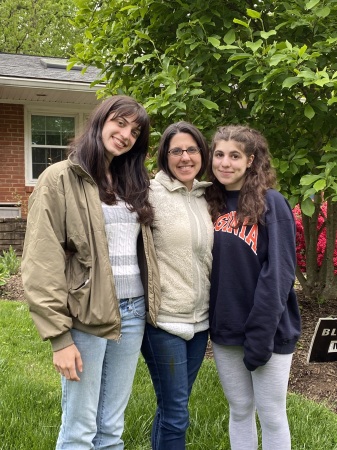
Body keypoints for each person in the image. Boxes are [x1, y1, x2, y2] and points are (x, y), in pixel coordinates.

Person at [21, 95, 160, 450]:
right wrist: (59, 338)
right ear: (101, 120)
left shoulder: (131, 181)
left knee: (111, 427)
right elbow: (42, 261)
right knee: (80, 429)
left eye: (135, 130)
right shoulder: (59, 178)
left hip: (132, 312)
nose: (126, 134)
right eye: (120, 122)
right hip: (85, 314)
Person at [206, 125, 301, 450]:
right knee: (240, 409)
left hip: (270, 330)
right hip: (226, 330)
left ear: (250, 160)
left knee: (272, 414)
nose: (225, 162)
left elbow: (280, 273)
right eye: (219, 154)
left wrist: (260, 336)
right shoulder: (211, 203)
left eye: (235, 155)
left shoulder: (271, 204)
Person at [141, 121, 214, 450]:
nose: (185, 157)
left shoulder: (204, 197)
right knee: (176, 411)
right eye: (176, 151)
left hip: (200, 323)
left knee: (172, 408)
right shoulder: (149, 195)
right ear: (164, 156)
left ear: (202, 153)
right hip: (165, 320)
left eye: (192, 149)